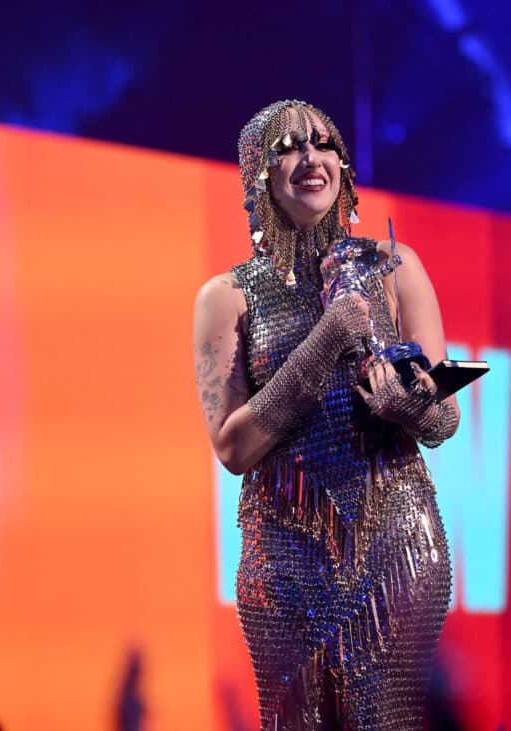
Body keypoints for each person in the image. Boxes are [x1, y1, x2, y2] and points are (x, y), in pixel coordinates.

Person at [193, 99, 458, 730]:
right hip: (284, 554)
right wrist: (326, 337)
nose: (310, 158)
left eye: (323, 143)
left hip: (398, 541)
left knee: (387, 718)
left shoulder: (398, 268)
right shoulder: (226, 297)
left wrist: (407, 406)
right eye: (287, 147)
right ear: (258, 173)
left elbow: (444, 421)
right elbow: (233, 449)